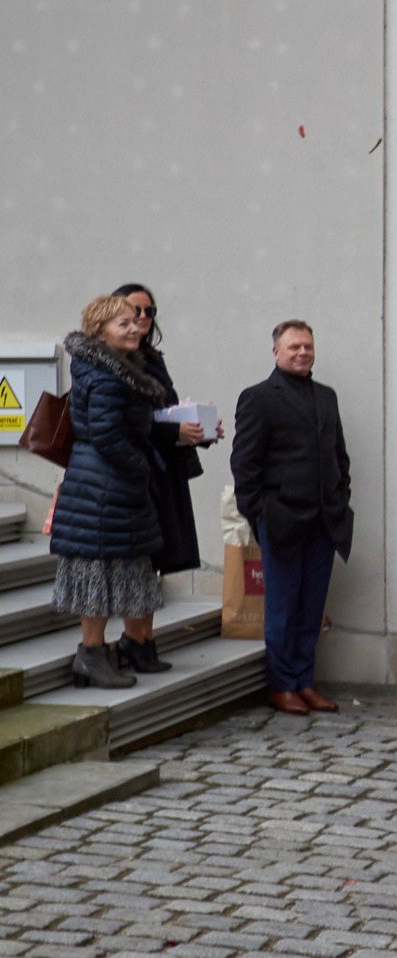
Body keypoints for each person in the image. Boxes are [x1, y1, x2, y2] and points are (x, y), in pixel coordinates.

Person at [230, 320, 353, 715]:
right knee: (282, 606)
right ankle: (281, 684)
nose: (303, 352)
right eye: (294, 347)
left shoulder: (326, 396)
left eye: (308, 346)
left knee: (311, 606)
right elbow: (244, 465)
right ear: (277, 352)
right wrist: (260, 512)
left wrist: (339, 496)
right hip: (281, 518)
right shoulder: (259, 398)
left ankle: (304, 680)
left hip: (324, 520)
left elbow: (339, 456)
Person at [48, 296, 169, 690]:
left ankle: (100, 654)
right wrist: (141, 466)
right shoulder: (104, 375)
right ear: (100, 331)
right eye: (124, 323)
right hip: (101, 488)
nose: (135, 328)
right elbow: (106, 435)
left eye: (135, 321)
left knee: (110, 570)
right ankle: (91, 655)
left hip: (109, 486)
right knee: (95, 574)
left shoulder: (115, 369)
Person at [114, 282, 210, 676]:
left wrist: (194, 426)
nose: (142, 319)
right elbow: (125, 423)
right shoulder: (115, 360)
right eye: (135, 311)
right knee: (138, 561)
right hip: (136, 471)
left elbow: (162, 408)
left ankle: (144, 640)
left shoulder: (152, 358)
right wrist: (174, 433)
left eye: (149, 312)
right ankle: (132, 640)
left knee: (156, 560)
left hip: (163, 469)